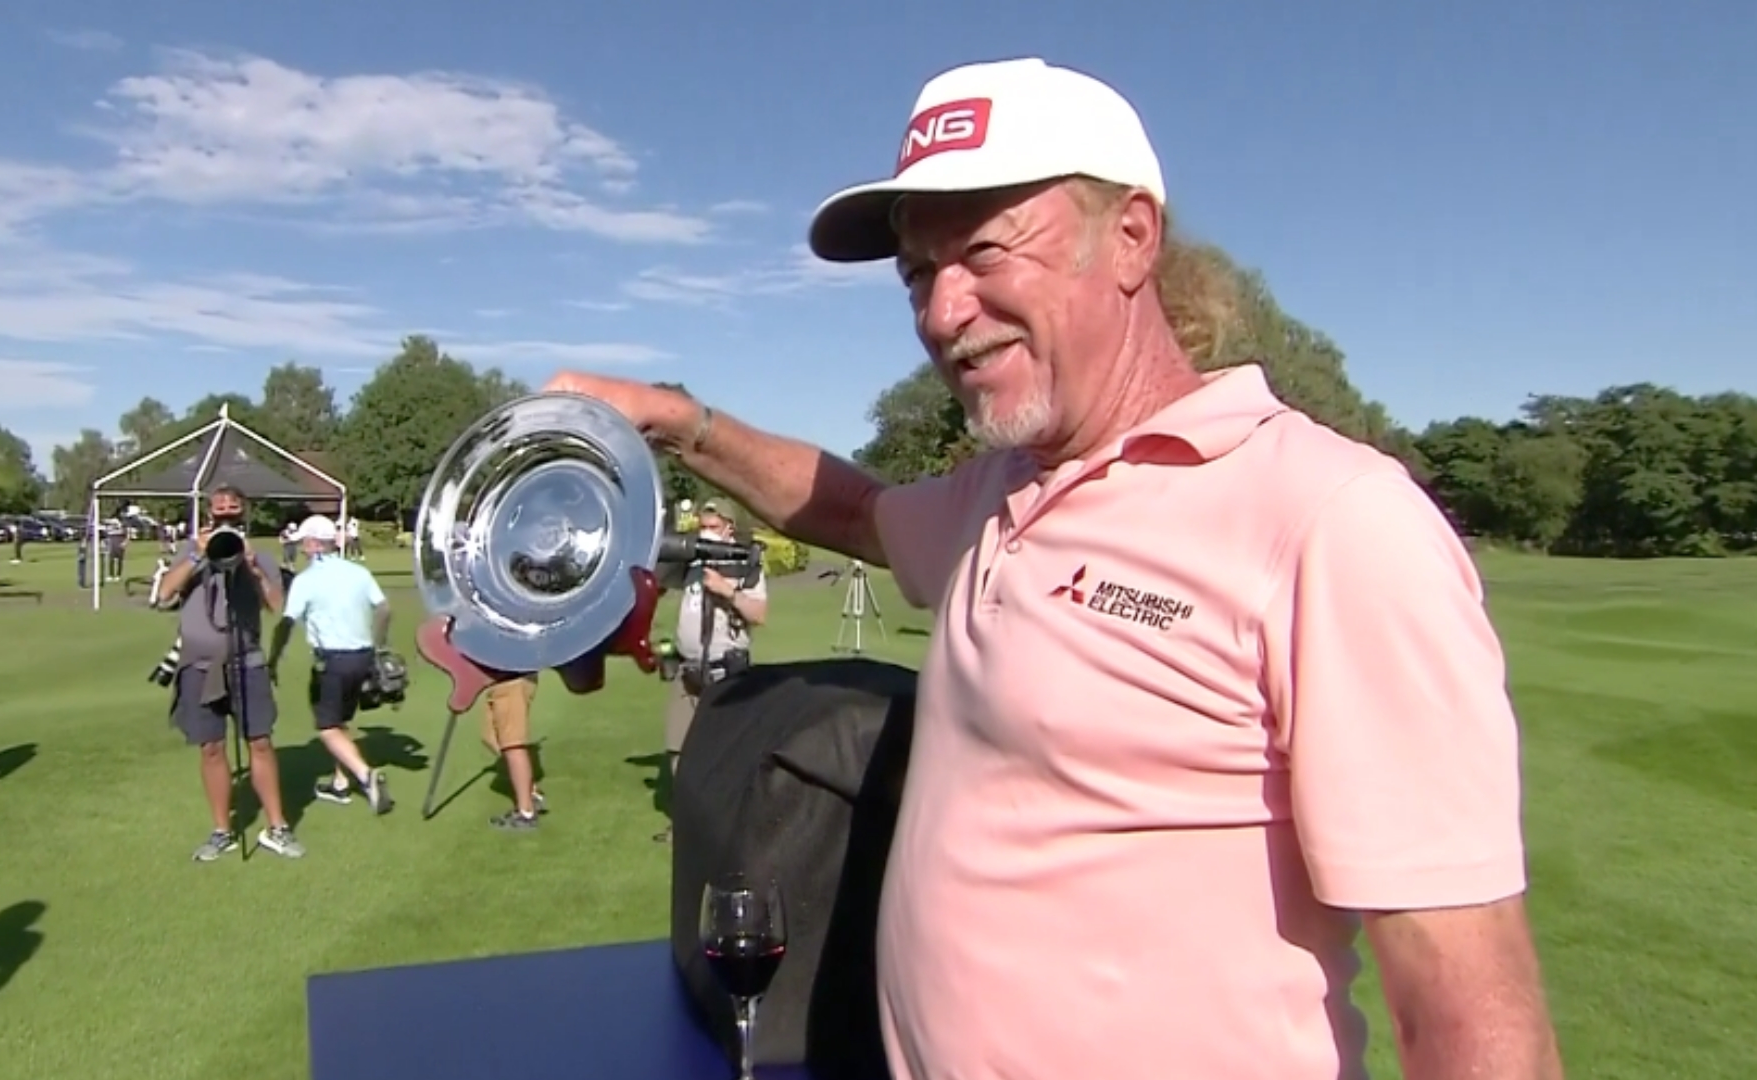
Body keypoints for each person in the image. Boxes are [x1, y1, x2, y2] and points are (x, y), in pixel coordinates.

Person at [537, 57, 1562, 1080]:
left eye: (984, 251)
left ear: (1131, 238)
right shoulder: (1004, 489)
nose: (943, 313)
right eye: (917, 274)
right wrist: (674, 420)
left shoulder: (1334, 519)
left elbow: (1471, 1018)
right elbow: (850, 509)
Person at [154, 483, 303, 862]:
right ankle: (222, 830)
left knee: (260, 742)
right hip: (199, 665)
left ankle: (277, 827)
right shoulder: (191, 550)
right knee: (211, 747)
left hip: (246, 661)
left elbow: (277, 605)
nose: (225, 517)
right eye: (218, 511)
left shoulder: (259, 555)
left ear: (243, 514)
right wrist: (198, 556)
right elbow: (163, 595)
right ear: (208, 514)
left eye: (232, 512)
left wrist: (251, 568)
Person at [655, 498, 768, 844]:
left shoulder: (746, 565)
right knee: (678, 749)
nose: (706, 533)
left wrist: (726, 590)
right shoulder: (691, 562)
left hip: (726, 672)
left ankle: (729, 825)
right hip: (687, 670)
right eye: (703, 526)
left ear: (729, 528)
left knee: (728, 752)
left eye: (713, 527)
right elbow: (656, 577)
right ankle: (687, 824)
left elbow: (759, 614)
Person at [268, 515, 395, 815]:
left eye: (304, 542)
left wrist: (273, 659)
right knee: (340, 721)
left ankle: (365, 775)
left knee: (327, 727)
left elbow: (286, 623)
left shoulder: (305, 580)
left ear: (314, 544)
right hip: (363, 656)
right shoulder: (358, 572)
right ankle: (340, 783)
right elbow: (384, 609)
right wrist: (379, 646)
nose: (302, 547)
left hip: (332, 661)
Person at [478, 677, 546, 831]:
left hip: (511, 678)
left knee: (512, 744)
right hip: (498, 679)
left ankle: (526, 813)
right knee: (490, 737)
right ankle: (530, 793)